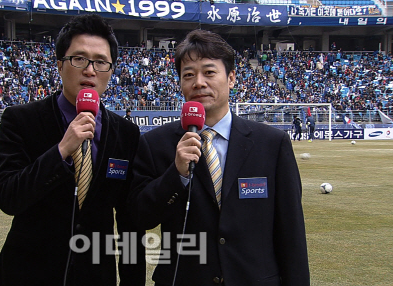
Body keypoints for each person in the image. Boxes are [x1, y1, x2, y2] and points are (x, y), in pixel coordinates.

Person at [128, 30, 309, 285]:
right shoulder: (155, 143)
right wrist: (176, 174)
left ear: (231, 78)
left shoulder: (271, 144)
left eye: (209, 72)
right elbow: (139, 216)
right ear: (180, 83)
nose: (198, 82)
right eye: (188, 74)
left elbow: (291, 233)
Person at [0, 14, 145, 286]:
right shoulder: (20, 120)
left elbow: (130, 223)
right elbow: (8, 197)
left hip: (96, 275)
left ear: (111, 70)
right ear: (60, 65)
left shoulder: (126, 133)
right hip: (27, 273)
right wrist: (61, 150)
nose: (90, 70)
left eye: (100, 62)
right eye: (79, 59)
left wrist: (132, 281)